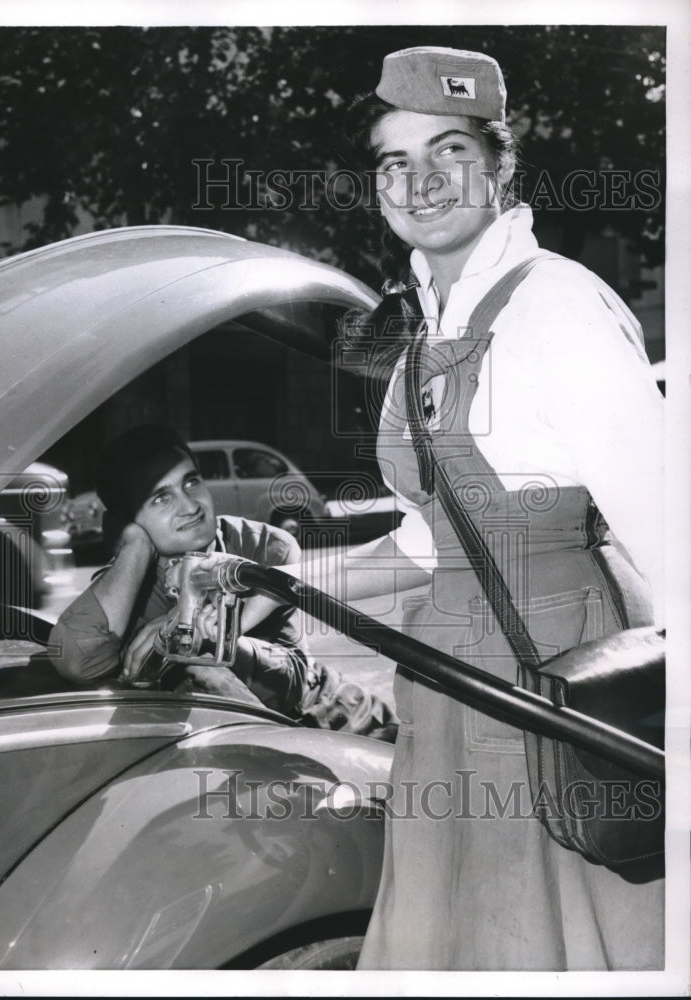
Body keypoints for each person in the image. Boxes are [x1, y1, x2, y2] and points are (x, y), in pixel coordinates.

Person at [200, 45, 662, 970]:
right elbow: (427, 544)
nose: (418, 183)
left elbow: (671, 537)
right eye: (393, 162)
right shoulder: (420, 334)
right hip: (451, 687)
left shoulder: (559, 308)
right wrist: (276, 586)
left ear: (498, 166)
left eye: (447, 152)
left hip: (553, 685)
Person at [47, 424, 398, 740]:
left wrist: (203, 636)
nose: (190, 506)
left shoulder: (265, 546)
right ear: (128, 522)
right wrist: (134, 547)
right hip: (240, 748)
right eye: (161, 497)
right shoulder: (125, 582)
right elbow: (78, 661)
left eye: (191, 482)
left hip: (337, 719)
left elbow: (290, 681)